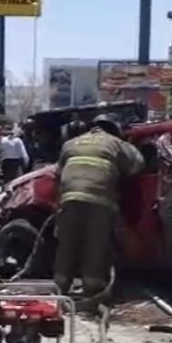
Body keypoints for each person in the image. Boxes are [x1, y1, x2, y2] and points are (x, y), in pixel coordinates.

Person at [54, 113, 144, 300]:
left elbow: (58, 173)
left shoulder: (71, 143)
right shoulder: (116, 144)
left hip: (69, 198)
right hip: (99, 200)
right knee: (95, 244)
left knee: (67, 243)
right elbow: (137, 165)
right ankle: (92, 289)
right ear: (114, 129)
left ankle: (60, 287)